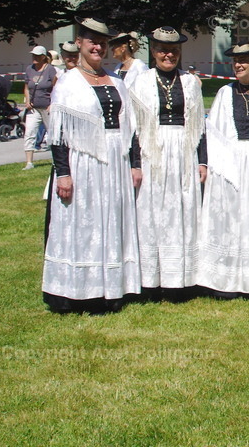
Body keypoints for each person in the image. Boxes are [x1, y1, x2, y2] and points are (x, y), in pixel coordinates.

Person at [43, 16, 141, 313]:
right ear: (80, 44)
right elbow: (58, 134)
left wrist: (135, 164)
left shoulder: (118, 83)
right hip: (83, 163)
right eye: (91, 42)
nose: (97, 47)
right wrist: (63, 174)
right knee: (83, 223)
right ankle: (75, 291)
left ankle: (111, 289)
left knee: (111, 220)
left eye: (102, 43)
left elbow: (131, 129)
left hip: (115, 164)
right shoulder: (69, 83)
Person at [197, 41, 249, 298]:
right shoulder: (224, 93)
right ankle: (224, 281)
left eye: (244, 60)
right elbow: (211, 134)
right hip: (228, 168)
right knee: (228, 222)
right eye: (235, 61)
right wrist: (209, 165)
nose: (238, 65)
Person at [130, 27, 206, 298]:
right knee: (154, 212)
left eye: (173, 50)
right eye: (162, 49)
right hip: (154, 153)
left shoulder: (190, 82)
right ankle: (152, 280)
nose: (168, 55)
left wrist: (203, 163)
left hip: (185, 153)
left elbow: (199, 128)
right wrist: (135, 164)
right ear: (153, 51)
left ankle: (184, 278)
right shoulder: (140, 82)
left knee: (184, 211)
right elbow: (133, 128)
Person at [22, 46, 57, 169]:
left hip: (47, 107)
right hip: (34, 108)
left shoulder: (50, 69)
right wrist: (27, 100)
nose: (34, 58)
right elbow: (26, 87)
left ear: (43, 57)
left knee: (52, 134)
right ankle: (29, 162)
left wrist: (53, 103)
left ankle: (56, 160)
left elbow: (56, 88)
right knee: (29, 133)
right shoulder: (29, 69)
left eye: (37, 56)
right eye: (33, 55)